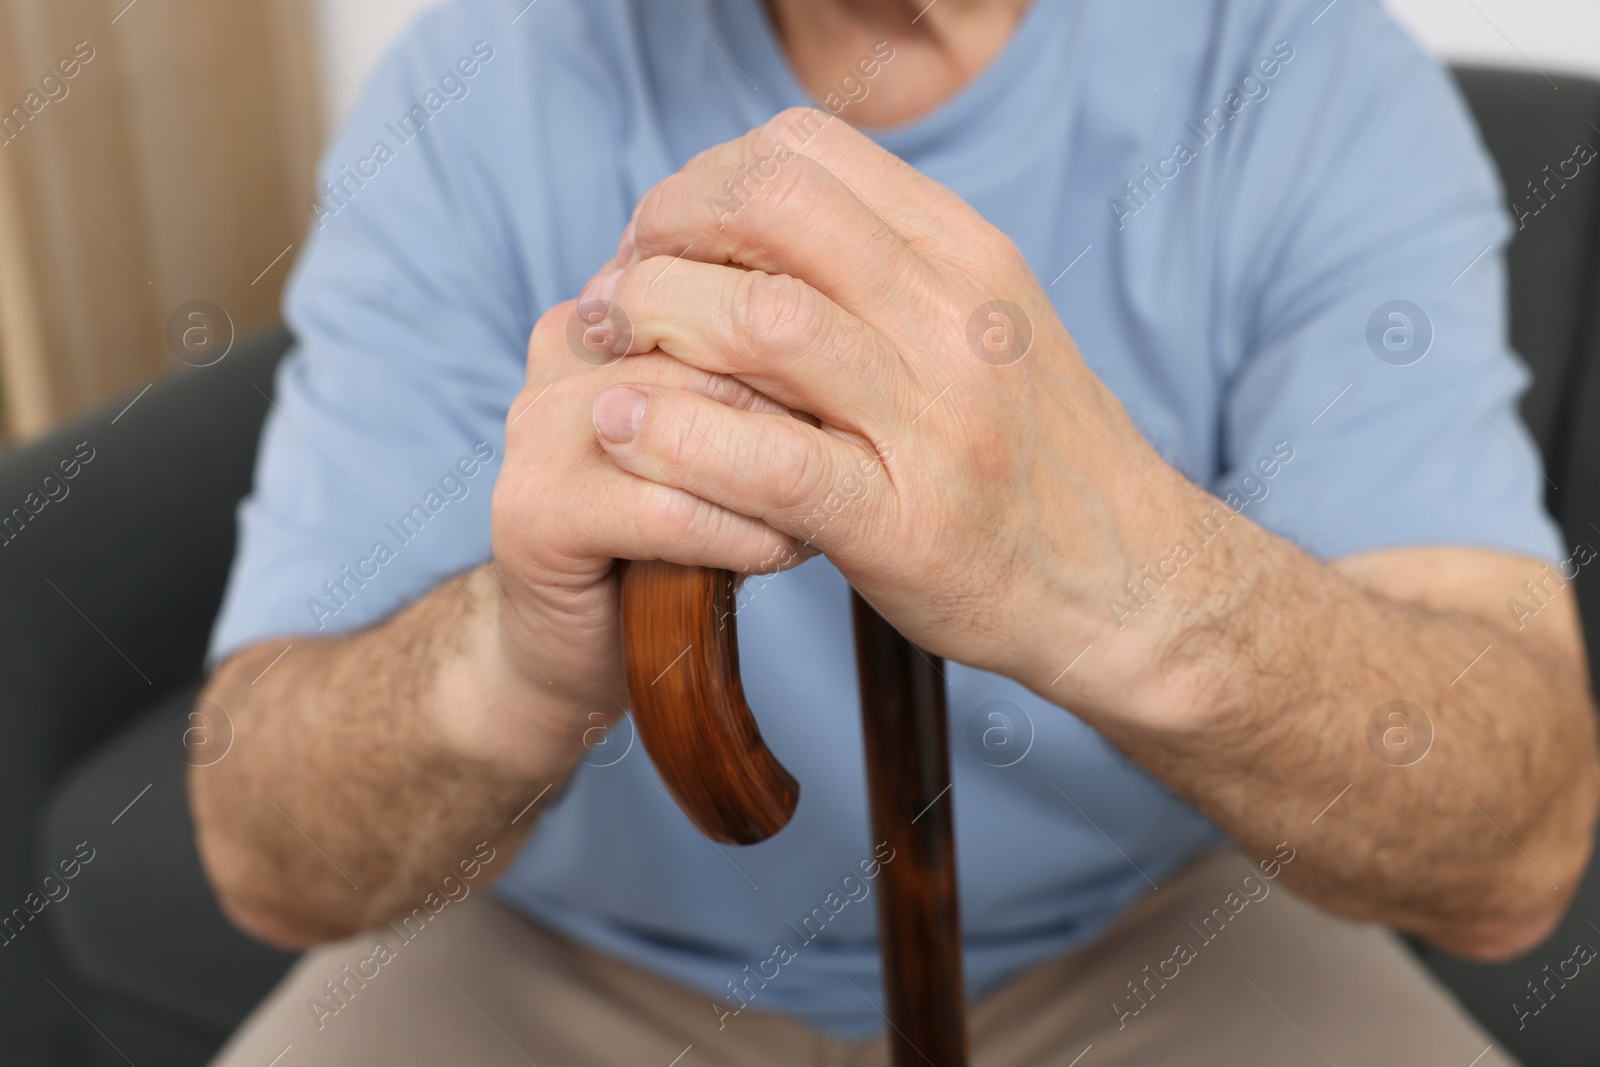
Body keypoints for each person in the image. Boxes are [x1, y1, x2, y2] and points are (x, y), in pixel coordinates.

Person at [192, 0, 1600, 1063]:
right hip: (567, 959)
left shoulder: (1308, 73)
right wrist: (509, 661)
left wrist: (1132, 588)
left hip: (1154, 936)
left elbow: (1518, 845)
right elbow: (258, 844)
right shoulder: (480, 81)